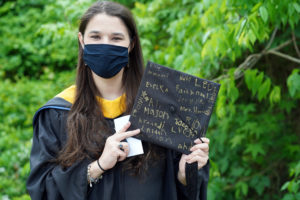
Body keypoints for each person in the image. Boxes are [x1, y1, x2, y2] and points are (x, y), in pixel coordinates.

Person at [26, 1, 210, 200]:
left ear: (131, 44)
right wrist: (97, 167)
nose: (105, 44)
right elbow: (42, 190)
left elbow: (180, 187)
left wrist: (185, 175)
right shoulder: (57, 113)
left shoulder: (161, 107)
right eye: (95, 37)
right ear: (81, 40)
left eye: (116, 38)